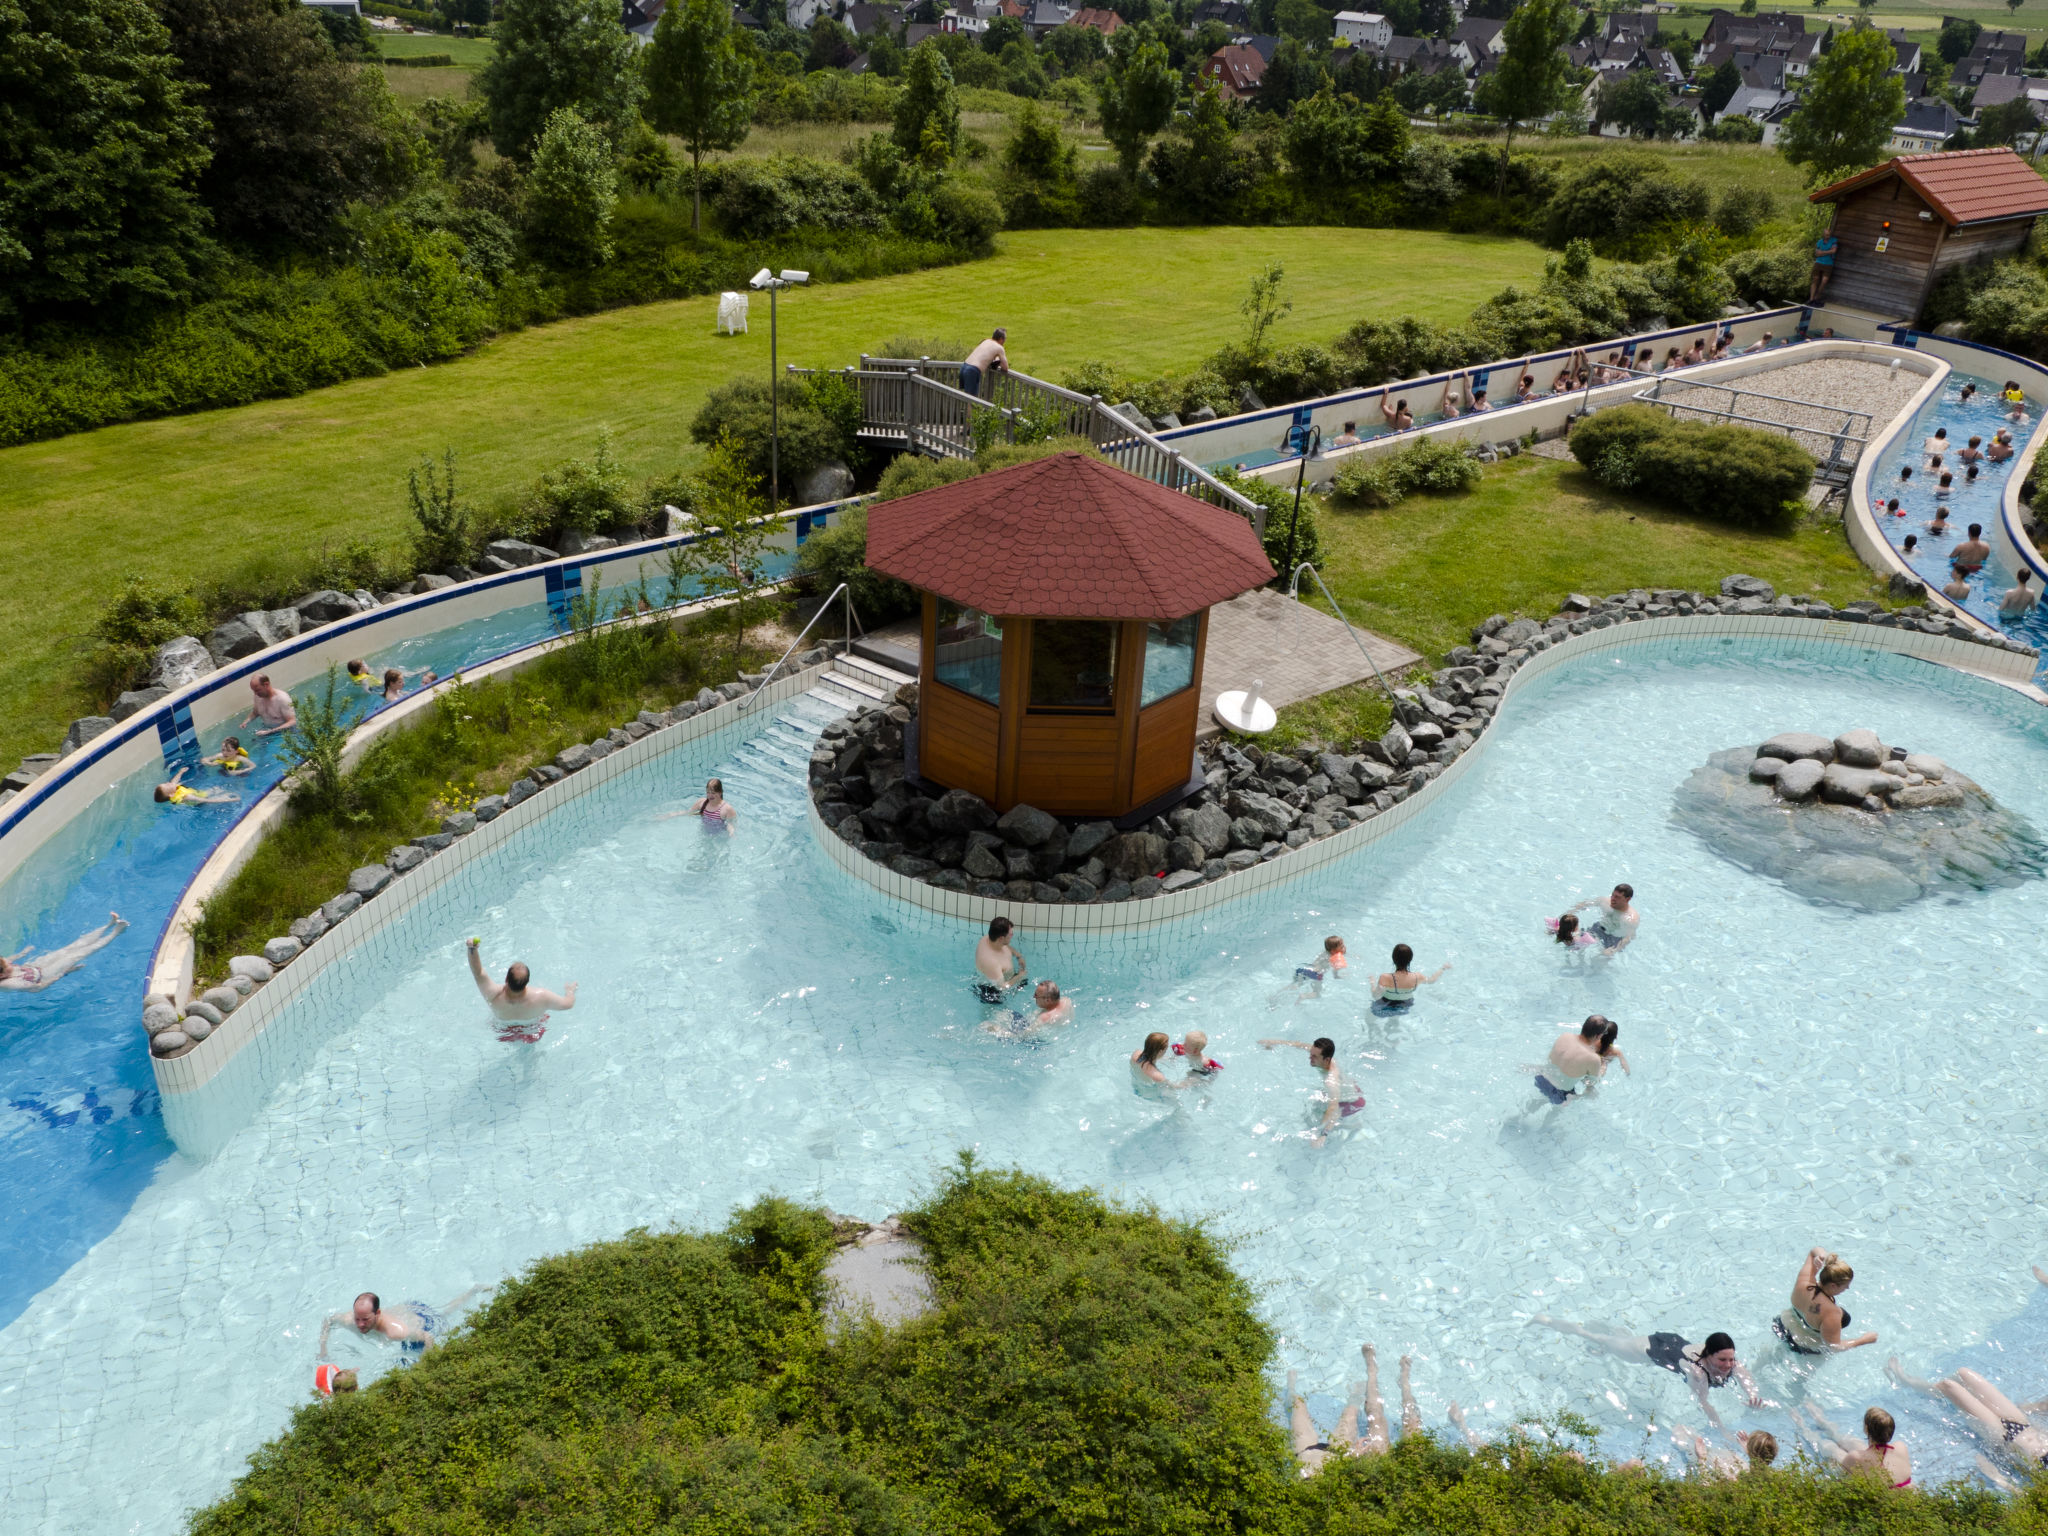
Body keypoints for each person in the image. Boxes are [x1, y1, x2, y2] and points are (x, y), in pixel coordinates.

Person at [1531, 1318, 1763, 1431]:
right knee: (1604, 1341)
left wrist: (1753, 1395)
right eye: (1722, 1360)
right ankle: (1548, 1321)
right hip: (1658, 1349)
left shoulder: (1729, 1358)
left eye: (1731, 1359)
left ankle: (1618, 1336)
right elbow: (1704, 1404)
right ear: (1708, 1355)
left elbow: (1745, 1376)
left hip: (1677, 1345)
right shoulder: (1698, 1372)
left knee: (1617, 1342)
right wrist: (1723, 1431)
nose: (1728, 1364)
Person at [1887, 1358, 2048, 1474]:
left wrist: (2001, 1479)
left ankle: (1906, 1381)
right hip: (2024, 1424)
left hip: (2001, 1438)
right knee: (1964, 1373)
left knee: (1948, 1386)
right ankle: (1937, 1393)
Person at [1290, 1344, 1419, 1475]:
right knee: (1376, 1417)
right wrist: (1352, 1457)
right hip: (1342, 1458)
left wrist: (1351, 1457)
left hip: (1315, 1455)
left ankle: (1291, 1388)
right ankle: (1378, 1375)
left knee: (1299, 1405)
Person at [318, 1288, 485, 1359]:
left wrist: (425, 1363)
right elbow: (329, 1320)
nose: (360, 1324)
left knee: (445, 1313)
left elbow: (428, 1337)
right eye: (357, 1318)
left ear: (377, 1313)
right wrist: (323, 1349)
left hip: (420, 1319)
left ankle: (473, 1291)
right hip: (403, 1310)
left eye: (365, 1320)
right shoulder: (350, 1320)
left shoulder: (396, 1332)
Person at [1258, 1035, 1363, 1146]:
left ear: (1326, 1059)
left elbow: (1334, 1108)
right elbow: (1300, 1045)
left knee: (1310, 1120)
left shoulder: (1330, 1080)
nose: (1310, 1058)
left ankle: (1355, 1128)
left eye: (1314, 1056)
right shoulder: (1327, 1058)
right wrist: (1273, 1042)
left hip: (1349, 1103)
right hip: (1349, 1088)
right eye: (1311, 1054)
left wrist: (1322, 1135)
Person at [466, 937, 575, 1044]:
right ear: (527, 982)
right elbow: (568, 1004)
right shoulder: (542, 997)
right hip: (532, 1031)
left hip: (504, 1032)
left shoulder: (493, 994)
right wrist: (570, 991)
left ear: (506, 979)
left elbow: (478, 972)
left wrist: (472, 949)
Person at [1774, 1247, 1876, 1356]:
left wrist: (1822, 1256)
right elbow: (1834, 1347)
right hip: (1802, 1346)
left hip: (1781, 1326)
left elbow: (1814, 1251)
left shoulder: (1804, 1280)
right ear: (1833, 1285)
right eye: (1846, 1286)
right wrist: (1863, 1340)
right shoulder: (1831, 1313)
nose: (1847, 1289)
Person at [1789, 1404, 1912, 1487]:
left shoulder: (1855, 1457)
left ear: (1866, 1429)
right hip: (1882, 1473)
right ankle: (1823, 1422)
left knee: (1831, 1448)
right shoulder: (1901, 1447)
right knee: (1855, 1443)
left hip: (1875, 1485)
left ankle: (1803, 1426)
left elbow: (1839, 1476)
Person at [0, 913, 127, 992]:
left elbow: (9, 959)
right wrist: (63, 973)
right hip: (44, 975)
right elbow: (37, 988)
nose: (10, 963)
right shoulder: (9, 984)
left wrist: (23, 953)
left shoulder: (3, 966)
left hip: (33, 966)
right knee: (80, 953)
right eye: (8, 966)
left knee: (71, 947)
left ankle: (107, 926)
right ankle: (116, 932)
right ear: (1, 976)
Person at [1528, 1016, 1614, 1108]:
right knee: (1592, 1094)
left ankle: (1524, 1114)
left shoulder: (1565, 1036)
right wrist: (1604, 1065)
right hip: (1560, 1095)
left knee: (1541, 1099)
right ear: (1598, 1035)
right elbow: (1589, 1083)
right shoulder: (1593, 1058)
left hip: (1542, 1080)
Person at [1674, 1424, 1779, 1479]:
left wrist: (1701, 1458)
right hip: (1740, 1467)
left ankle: (1687, 1445)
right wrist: (1750, 1452)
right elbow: (1758, 1466)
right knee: (1730, 1456)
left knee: (1681, 1434)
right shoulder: (1771, 1477)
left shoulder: (1736, 1480)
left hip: (1720, 1471)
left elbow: (1705, 1488)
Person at [1370, 943, 1450, 1012]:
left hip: (1385, 1006)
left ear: (1393, 959)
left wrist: (1372, 982)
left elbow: (1375, 995)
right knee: (1394, 1019)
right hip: (1405, 1006)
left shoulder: (1385, 977)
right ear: (1410, 959)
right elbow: (1432, 980)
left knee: (1369, 1021)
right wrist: (1443, 968)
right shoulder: (1417, 977)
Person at [1569, 883, 1639, 953]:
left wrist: (1614, 950)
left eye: (1617, 897)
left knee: (1603, 957)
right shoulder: (1605, 902)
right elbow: (1584, 904)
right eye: (1613, 895)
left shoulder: (1631, 918)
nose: (1613, 899)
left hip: (1614, 938)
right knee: (1574, 943)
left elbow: (1628, 937)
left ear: (1627, 899)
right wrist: (1569, 913)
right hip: (1599, 928)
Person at [972, 916, 1027, 1004]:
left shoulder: (987, 939)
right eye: (1011, 934)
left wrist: (1018, 955)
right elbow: (1002, 987)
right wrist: (1019, 976)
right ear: (1001, 938)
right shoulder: (992, 962)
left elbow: (1006, 945)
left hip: (1002, 977)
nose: (1012, 934)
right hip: (992, 992)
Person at [1277, 935, 1347, 1003]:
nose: (1343, 947)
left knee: (1293, 985)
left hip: (1304, 969)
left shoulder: (1325, 952)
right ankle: (1303, 997)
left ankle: (1275, 996)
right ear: (1333, 950)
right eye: (1341, 946)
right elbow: (1335, 969)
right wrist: (1337, 976)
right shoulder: (1334, 957)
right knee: (1317, 994)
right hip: (1315, 974)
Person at [661, 777, 737, 833]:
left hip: (719, 837)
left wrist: (731, 833)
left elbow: (731, 824)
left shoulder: (727, 809)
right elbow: (688, 812)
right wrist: (669, 815)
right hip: (703, 833)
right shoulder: (701, 803)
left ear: (720, 792)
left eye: (713, 793)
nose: (710, 795)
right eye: (708, 792)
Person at [958, 328, 1007, 400]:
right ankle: (970, 412)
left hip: (964, 366)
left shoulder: (985, 341)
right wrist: (998, 362)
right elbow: (1005, 367)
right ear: (1001, 339)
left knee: (966, 398)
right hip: (972, 371)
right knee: (972, 401)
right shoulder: (999, 347)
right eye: (1005, 339)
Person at [1130, 1031, 1180, 1100]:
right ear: (1160, 1051)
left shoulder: (1136, 1054)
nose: (1166, 1051)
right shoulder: (1158, 1075)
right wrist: (1190, 1082)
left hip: (1135, 1087)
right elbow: (1174, 1086)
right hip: (1147, 1095)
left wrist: (1172, 1058)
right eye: (1166, 1050)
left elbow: (1150, 1057)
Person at [154, 765, 235, 806]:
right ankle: (229, 796)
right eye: (167, 785)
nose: (168, 783)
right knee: (218, 790)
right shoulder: (186, 797)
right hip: (201, 800)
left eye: (165, 783)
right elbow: (206, 800)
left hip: (199, 793)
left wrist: (181, 772)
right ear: (172, 794)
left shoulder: (173, 791)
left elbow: (174, 781)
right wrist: (225, 799)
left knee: (216, 789)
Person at [1810, 228, 1838, 302]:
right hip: (1818, 262)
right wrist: (1826, 252)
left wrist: (1822, 253)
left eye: (1828, 235)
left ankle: (1817, 296)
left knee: (1824, 281)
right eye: (1826, 235)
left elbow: (1834, 251)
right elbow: (1816, 252)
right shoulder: (1820, 242)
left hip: (1828, 263)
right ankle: (1811, 298)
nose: (1827, 236)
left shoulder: (1833, 241)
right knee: (1815, 279)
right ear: (1823, 234)